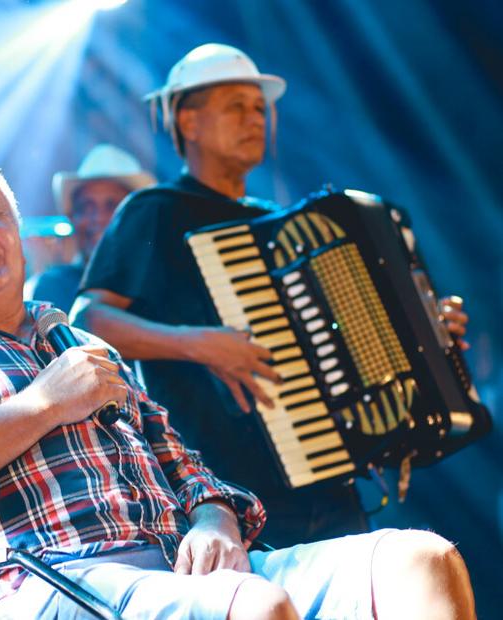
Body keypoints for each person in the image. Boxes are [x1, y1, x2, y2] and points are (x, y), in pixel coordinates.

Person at [0, 144, 475, 620]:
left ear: (17, 235)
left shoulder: (77, 341)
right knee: (249, 607)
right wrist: (42, 404)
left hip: (171, 568)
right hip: (36, 585)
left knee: (421, 561)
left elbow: (185, 467)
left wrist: (215, 517)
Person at [72, 43, 470, 547]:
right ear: (188, 122)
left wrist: (422, 329)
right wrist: (198, 343)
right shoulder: (154, 210)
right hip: (223, 494)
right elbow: (89, 318)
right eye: (235, 105)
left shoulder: (279, 225)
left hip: (331, 482)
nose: (255, 118)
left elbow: (339, 332)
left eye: (260, 107)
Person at [25, 144, 154, 313]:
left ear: (138, 218)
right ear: (72, 218)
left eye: (113, 206)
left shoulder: (162, 283)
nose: (98, 218)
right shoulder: (50, 288)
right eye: (86, 206)